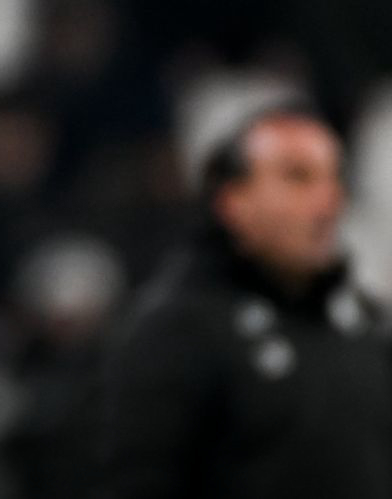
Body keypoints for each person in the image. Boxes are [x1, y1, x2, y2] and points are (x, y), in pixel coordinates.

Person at [100, 105, 392, 499]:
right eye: (298, 177)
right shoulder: (178, 330)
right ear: (233, 201)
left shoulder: (364, 325)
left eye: (334, 178)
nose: (328, 202)